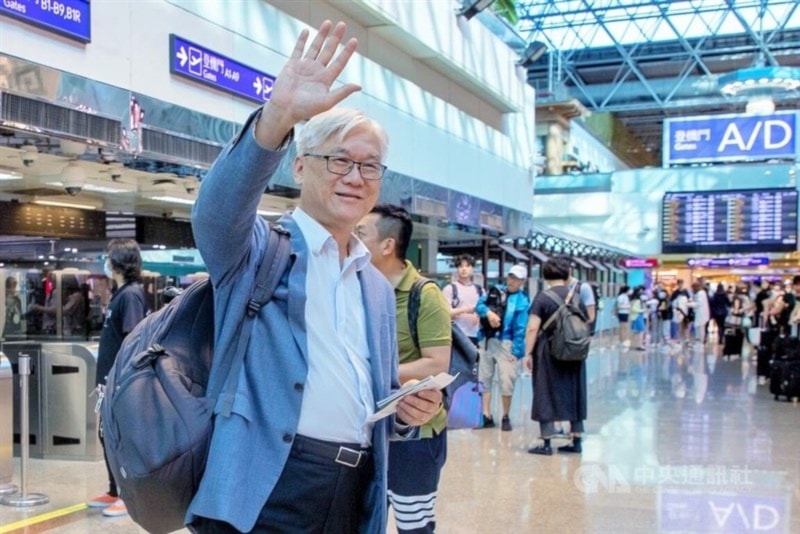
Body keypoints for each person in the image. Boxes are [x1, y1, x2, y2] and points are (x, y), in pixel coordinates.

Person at [187, 21, 443, 533]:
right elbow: (214, 216)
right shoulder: (260, 250)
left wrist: (404, 410)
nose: (355, 177)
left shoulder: (373, 282)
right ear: (301, 167)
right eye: (339, 160)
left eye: (370, 166)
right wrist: (277, 118)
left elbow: (362, 394)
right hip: (265, 489)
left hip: (354, 491)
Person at [357, 203, 451, 534]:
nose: (353, 239)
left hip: (416, 435)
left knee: (414, 523)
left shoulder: (424, 294)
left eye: (361, 233)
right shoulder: (356, 288)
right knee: (367, 518)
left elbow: (437, 363)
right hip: (368, 431)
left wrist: (370, 373)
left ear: (387, 245)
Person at [87, 238, 148, 517]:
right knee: (106, 435)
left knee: (120, 439)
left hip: (120, 383)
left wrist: (123, 382)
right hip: (108, 383)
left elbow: (132, 341)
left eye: (109, 258)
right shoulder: (120, 294)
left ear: (120, 262)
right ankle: (114, 489)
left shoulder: (132, 295)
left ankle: (128, 495)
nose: (106, 263)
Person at [523, 255, 587, 455]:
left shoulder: (543, 297)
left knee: (545, 393)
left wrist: (528, 353)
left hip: (548, 353)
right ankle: (576, 440)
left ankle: (546, 442)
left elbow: (533, 328)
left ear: (545, 274)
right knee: (575, 392)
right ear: (567, 273)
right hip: (574, 352)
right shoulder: (576, 297)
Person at [476, 264, 530, 431]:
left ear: (523, 281)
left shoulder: (522, 300)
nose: (512, 281)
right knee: (484, 378)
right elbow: (479, 305)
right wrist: (488, 313)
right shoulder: (495, 291)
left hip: (507, 342)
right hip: (486, 340)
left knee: (507, 380)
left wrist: (517, 351)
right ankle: (486, 415)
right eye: (511, 276)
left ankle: (505, 415)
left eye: (517, 278)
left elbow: (520, 328)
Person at [442, 253, 483, 346]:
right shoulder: (449, 289)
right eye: (461, 266)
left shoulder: (480, 290)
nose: (464, 269)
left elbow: (485, 310)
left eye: (467, 266)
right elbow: (445, 312)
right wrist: (466, 309)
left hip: (475, 335)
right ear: (457, 269)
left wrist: (479, 316)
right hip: (455, 335)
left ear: (472, 268)